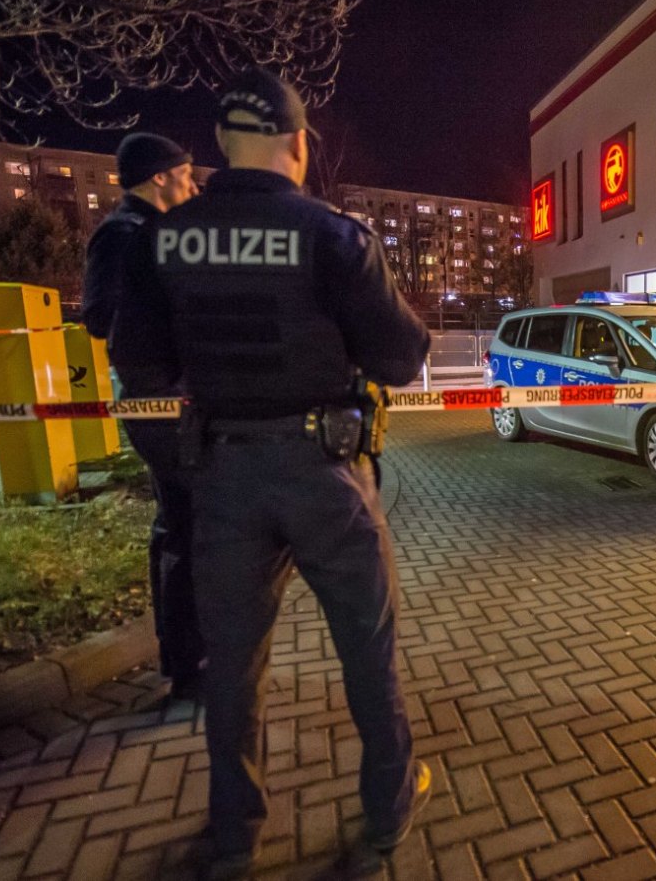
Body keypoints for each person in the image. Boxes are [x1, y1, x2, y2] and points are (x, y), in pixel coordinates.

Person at [110, 68, 432, 880]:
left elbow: (138, 363)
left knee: (234, 664)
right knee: (368, 646)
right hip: (324, 473)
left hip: (221, 475)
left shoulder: (164, 238)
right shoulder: (333, 235)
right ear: (296, 145)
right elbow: (402, 355)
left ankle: (234, 836)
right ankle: (389, 810)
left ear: (220, 145)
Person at [82, 133, 204, 700]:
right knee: (184, 527)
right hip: (159, 403)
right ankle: (187, 666)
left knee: (181, 523)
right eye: (185, 174)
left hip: (169, 398)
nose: (193, 184)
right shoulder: (124, 235)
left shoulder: (148, 233)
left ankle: (186, 656)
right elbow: (100, 316)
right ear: (160, 178)